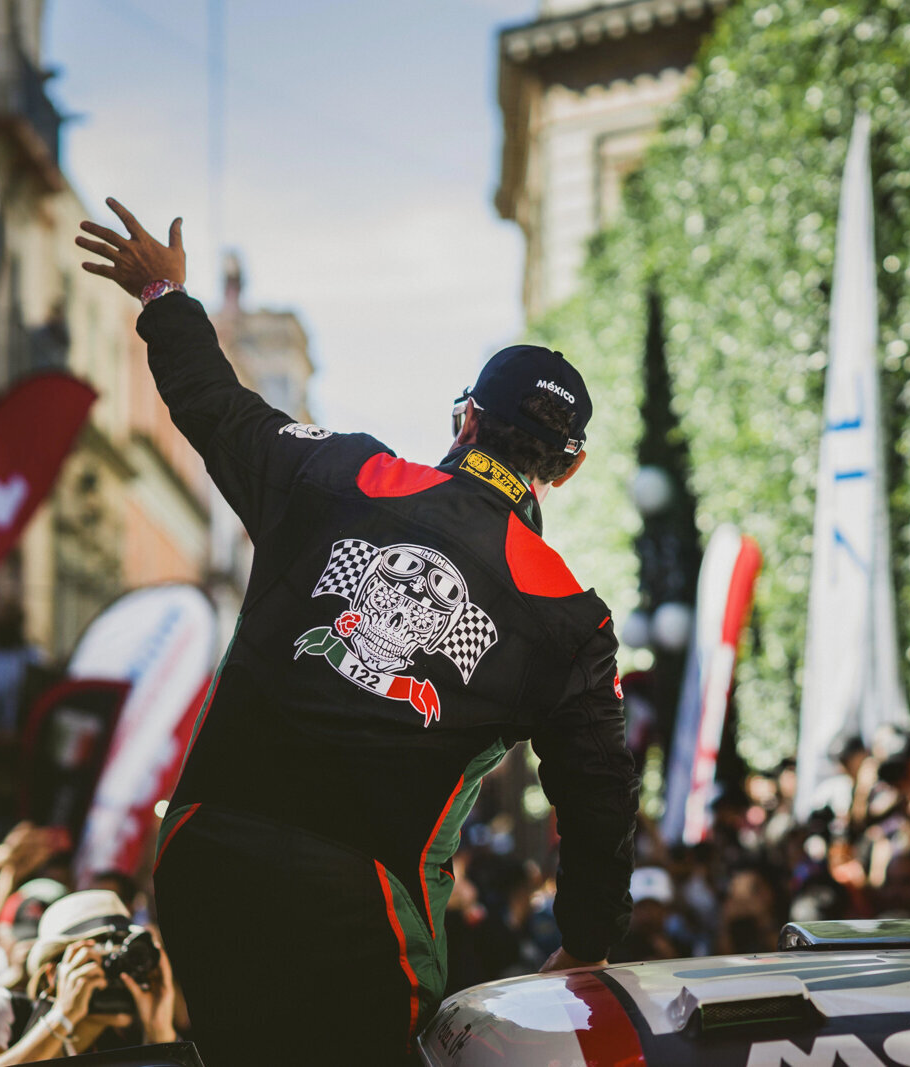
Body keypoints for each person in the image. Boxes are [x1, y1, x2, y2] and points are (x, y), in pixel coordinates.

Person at [77, 200, 638, 1065]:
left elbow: (214, 406)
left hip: (203, 851)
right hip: (365, 906)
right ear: (567, 469)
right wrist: (589, 943)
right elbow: (600, 802)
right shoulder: (570, 615)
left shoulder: (339, 471)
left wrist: (163, 293)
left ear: (466, 419)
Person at [0, 890, 177, 1063]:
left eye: (124, 958)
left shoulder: (136, 1041)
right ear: (51, 975)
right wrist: (62, 1016)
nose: (117, 975)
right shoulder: (7, 1010)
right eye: (97, 960)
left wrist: (161, 1035)